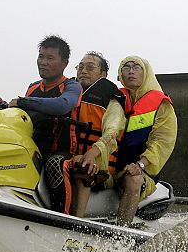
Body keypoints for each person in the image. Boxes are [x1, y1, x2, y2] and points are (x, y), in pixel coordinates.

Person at [0, 35, 82, 211]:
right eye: (41, 56)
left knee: (55, 163)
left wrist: (23, 102)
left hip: (63, 153)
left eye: (50, 58)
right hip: (33, 149)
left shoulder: (72, 86)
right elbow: (24, 114)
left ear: (64, 63)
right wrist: (1, 108)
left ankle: (63, 219)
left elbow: (62, 105)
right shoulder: (33, 87)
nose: (43, 62)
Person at [113, 56, 177, 226]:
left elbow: (162, 141)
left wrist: (140, 165)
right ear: (120, 73)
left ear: (146, 73)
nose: (131, 71)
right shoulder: (114, 98)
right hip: (110, 164)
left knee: (133, 179)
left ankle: (121, 232)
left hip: (140, 169)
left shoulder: (161, 104)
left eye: (136, 67)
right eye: (126, 67)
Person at [66, 52, 126, 217]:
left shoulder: (112, 100)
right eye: (81, 67)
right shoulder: (66, 92)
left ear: (103, 74)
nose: (83, 71)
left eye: (90, 67)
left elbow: (112, 133)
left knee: (82, 162)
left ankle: (77, 220)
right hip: (65, 154)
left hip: (100, 165)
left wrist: (92, 153)